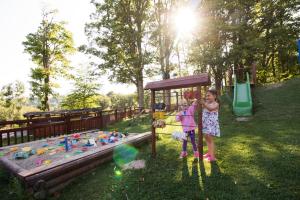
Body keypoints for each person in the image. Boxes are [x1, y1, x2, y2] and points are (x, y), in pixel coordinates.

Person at [200, 89, 220, 162]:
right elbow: (204, 108)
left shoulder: (216, 103)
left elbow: (210, 109)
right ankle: (209, 153)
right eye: (206, 96)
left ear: (214, 96)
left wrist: (204, 103)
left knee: (210, 140)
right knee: (207, 139)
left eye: (208, 95)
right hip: (205, 124)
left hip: (211, 125)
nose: (207, 97)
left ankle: (212, 157)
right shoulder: (206, 103)